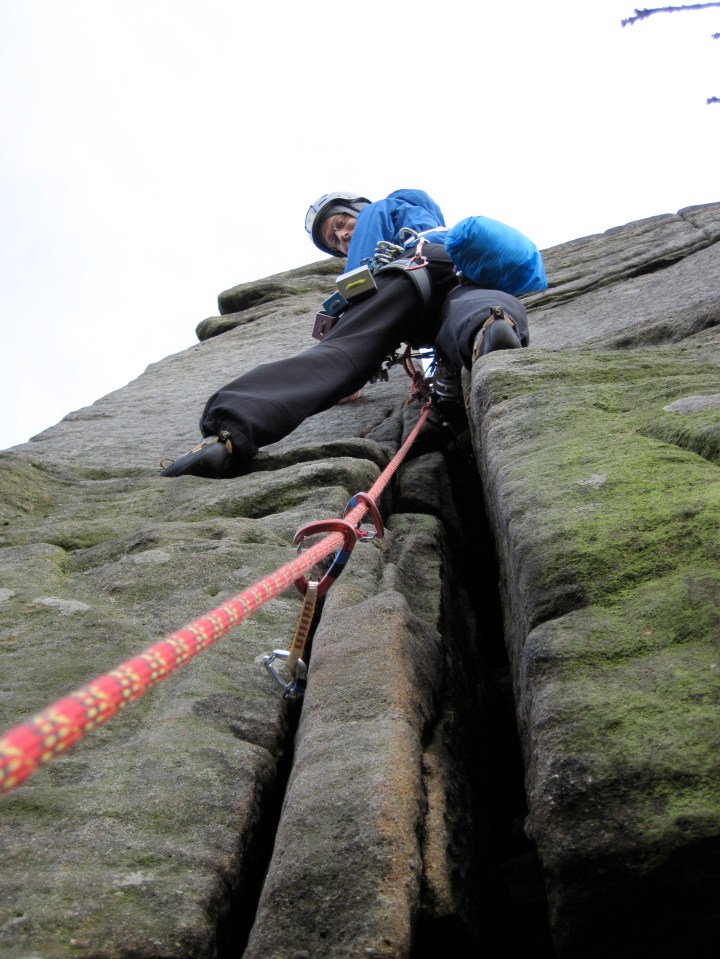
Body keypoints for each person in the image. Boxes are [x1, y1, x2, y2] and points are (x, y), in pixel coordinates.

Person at [160, 189, 535, 478]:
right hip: (452, 273)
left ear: (358, 208)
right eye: (334, 238)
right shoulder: (432, 228)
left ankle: (228, 435)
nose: (341, 235)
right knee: (476, 302)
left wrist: (348, 321)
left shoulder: (386, 208)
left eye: (340, 223)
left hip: (407, 272)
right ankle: (490, 329)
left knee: (338, 356)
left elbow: (362, 277)